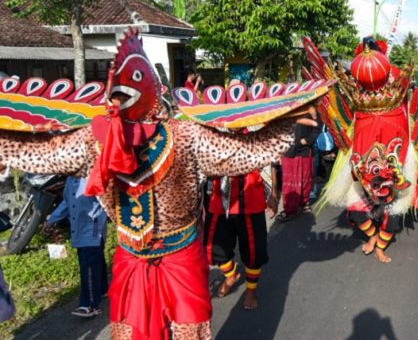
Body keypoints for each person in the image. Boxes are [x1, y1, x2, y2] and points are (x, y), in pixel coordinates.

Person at [0, 29, 324, 339]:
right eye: (117, 86)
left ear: (153, 92)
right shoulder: (94, 141)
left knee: (189, 329)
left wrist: (284, 121)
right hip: (131, 260)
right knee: (132, 331)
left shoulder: (186, 137)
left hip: (181, 256)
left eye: (134, 82)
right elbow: (40, 154)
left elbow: (246, 153)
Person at [204, 167, 277, 310]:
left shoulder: (258, 142)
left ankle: (251, 290)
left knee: (254, 253)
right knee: (213, 249)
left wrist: (273, 195)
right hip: (220, 200)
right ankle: (232, 275)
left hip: (251, 199)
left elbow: (269, 163)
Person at [43, 176, 108, 317]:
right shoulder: (71, 180)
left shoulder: (92, 176)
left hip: (93, 230)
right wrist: (52, 221)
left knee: (89, 265)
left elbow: (107, 202)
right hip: (79, 230)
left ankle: (89, 305)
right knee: (94, 261)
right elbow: (67, 202)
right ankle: (102, 289)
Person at [276, 114, 321, 221]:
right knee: (289, 180)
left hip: (304, 148)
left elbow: (317, 127)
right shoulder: (283, 108)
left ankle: (304, 202)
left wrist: (305, 141)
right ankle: (289, 209)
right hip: (286, 148)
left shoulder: (309, 109)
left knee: (305, 177)